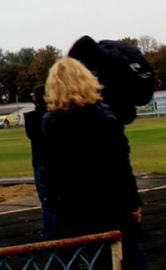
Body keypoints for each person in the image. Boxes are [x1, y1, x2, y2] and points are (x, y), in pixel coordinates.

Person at [42, 57, 146, 269]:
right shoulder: (103, 116)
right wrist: (133, 203)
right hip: (109, 208)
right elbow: (120, 166)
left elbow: (50, 172)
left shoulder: (50, 123)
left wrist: (55, 207)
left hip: (73, 210)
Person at [24, 85, 56, 238]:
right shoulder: (55, 114)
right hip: (56, 161)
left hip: (40, 162)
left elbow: (32, 135)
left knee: (45, 199)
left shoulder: (31, 118)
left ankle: (51, 234)